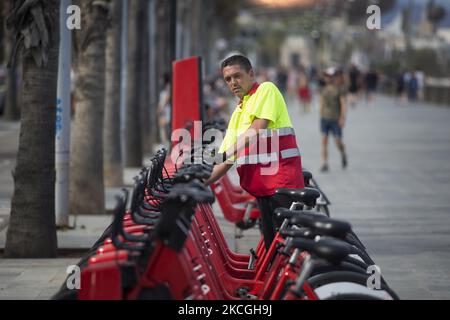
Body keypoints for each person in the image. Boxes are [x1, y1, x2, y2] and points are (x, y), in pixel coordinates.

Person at [204, 55, 305, 250]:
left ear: (251, 73)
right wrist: (200, 181)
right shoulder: (239, 111)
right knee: (271, 247)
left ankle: (303, 279)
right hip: (262, 189)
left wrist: (225, 154)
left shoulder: (266, 90)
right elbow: (225, 160)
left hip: (280, 185)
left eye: (237, 76)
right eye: (228, 79)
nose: (233, 82)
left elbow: (257, 128)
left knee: (285, 248)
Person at [319, 68, 348, 173]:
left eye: (328, 76)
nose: (326, 78)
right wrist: (320, 112)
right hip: (324, 118)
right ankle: (324, 163)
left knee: (337, 141)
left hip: (335, 119)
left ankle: (343, 152)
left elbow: (343, 104)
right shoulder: (323, 88)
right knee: (324, 141)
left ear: (332, 77)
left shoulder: (339, 89)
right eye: (325, 76)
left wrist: (342, 117)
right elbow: (321, 101)